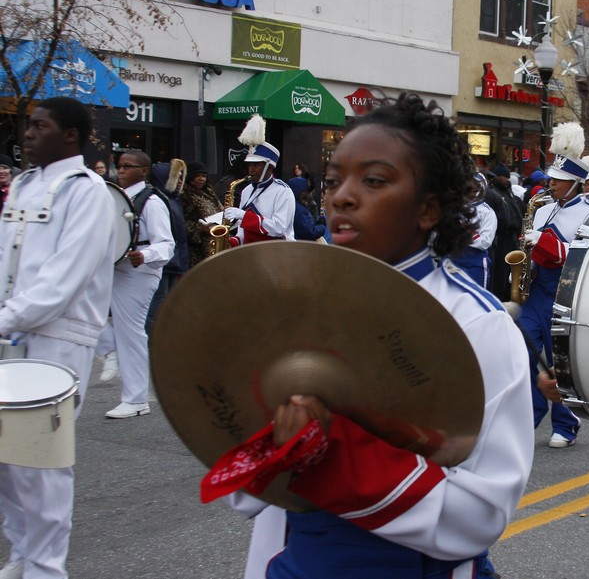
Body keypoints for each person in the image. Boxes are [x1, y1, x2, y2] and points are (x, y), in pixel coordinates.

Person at [215, 92, 533, 578]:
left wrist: (331, 454)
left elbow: (479, 517)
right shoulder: (297, 306)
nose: (341, 196)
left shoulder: (476, 325)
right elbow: (249, 495)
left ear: (428, 209)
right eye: (334, 179)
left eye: (374, 180)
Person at [0, 97, 116, 579]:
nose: (28, 134)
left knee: (42, 462)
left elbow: (64, 275)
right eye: (28, 126)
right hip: (10, 330)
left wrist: (9, 317)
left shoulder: (87, 191)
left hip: (58, 340)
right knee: (7, 458)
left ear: (70, 135)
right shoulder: (24, 184)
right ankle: (23, 554)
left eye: (40, 126)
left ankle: (47, 568)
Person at [517, 121, 589, 449]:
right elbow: (532, 251)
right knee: (521, 346)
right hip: (536, 291)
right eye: (553, 179)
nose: (552, 184)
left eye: (560, 181)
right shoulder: (542, 209)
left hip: (565, 292)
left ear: (577, 184)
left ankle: (566, 424)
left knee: (557, 361)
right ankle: (532, 411)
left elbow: (578, 256)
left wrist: (543, 243)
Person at [96, 150, 174, 417]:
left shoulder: (152, 202)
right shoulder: (118, 197)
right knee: (82, 306)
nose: (121, 170)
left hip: (139, 271)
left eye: (127, 166)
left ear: (144, 170)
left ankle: (136, 398)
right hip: (116, 265)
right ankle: (110, 348)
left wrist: (145, 255)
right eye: (118, 166)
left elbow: (166, 245)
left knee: (130, 331)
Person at [223, 115, 296, 245]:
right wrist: (232, 242)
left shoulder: (282, 191)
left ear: (270, 167)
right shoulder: (246, 190)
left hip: (277, 253)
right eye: (250, 165)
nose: (251, 169)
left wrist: (244, 216)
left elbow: (278, 229)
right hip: (251, 255)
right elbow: (242, 232)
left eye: (257, 165)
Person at [145, 158, 189, 335]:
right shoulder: (160, 202)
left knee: (167, 307)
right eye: (176, 177)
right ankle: (150, 345)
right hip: (164, 263)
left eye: (181, 178)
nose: (180, 182)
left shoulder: (174, 200)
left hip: (174, 262)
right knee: (156, 307)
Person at [483, 164, 524, 302]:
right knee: (499, 275)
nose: (506, 179)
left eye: (507, 176)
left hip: (511, 238)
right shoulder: (492, 193)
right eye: (503, 176)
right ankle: (498, 300)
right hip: (500, 239)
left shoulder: (508, 191)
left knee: (509, 275)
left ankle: (509, 298)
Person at [451, 173, 497, 290]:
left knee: (476, 298)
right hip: (453, 259)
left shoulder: (487, 212)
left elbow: (485, 242)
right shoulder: (455, 209)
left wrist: (465, 231)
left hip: (475, 262)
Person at [182, 161, 224, 267]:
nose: (201, 179)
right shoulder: (186, 195)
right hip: (197, 249)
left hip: (215, 244)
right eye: (197, 176)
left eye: (204, 176)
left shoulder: (209, 192)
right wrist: (201, 228)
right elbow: (183, 222)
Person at [287, 175, 326, 242]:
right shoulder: (299, 210)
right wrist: (322, 226)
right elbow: (311, 233)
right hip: (301, 246)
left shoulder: (289, 205)